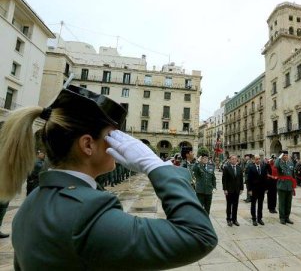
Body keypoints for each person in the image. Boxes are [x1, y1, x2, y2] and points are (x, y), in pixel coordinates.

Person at [0, 85, 217, 270]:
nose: (120, 143)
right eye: (112, 136)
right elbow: (198, 236)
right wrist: (156, 167)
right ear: (88, 144)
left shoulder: (35, 199)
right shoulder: (87, 214)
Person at [275, 150, 296, 225]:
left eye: (286, 155)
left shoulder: (291, 163)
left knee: (288, 203)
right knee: (282, 203)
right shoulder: (279, 162)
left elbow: (293, 174)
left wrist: (294, 185)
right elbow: (275, 165)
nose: (285, 156)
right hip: (282, 185)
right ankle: (282, 218)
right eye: (284, 155)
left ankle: (287, 217)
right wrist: (279, 157)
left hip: (289, 186)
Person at [222, 155, 244, 226]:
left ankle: (234, 219)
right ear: (230, 160)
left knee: (235, 205)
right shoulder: (226, 168)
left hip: (237, 190)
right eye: (232, 159)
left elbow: (241, 179)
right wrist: (225, 189)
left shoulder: (239, 168)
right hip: (229, 190)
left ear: (237, 160)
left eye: (235, 159)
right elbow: (224, 180)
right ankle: (229, 219)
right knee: (229, 205)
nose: (234, 160)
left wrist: (241, 188)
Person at [247, 155, 267, 226]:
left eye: (259, 159)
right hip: (254, 189)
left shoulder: (263, 167)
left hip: (261, 189)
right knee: (253, 204)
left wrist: (266, 189)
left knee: (260, 204)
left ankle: (259, 218)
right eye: (256, 159)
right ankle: (254, 218)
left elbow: (265, 178)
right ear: (254, 160)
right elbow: (248, 180)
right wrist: (249, 190)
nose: (258, 160)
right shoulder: (251, 168)